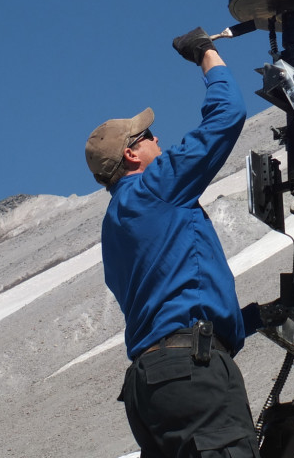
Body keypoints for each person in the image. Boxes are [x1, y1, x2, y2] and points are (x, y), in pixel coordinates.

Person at [84, 27, 261, 458]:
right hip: (191, 374)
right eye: (148, 137)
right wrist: (206, 53)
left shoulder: (115, 227)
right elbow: (226, 115)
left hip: (151, 387)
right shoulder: (155, 188)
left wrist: (246, 321)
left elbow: (168, 301)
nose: (157, 139)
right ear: (131, 155)